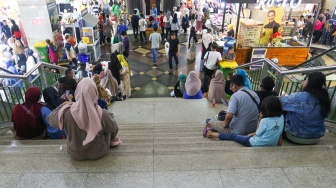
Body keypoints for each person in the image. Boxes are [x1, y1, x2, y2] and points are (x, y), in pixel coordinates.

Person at [47, 78, 121, 160]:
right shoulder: (103, 114)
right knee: (109, 126)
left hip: (74, 153)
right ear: (95, 93)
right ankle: (113, 141)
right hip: (99, 152)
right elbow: (114, 128)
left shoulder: (65, 113)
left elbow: (50, 119)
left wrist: (63, 104)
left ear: (77, 92)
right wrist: (112, 137)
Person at [204, 96, 284, 147]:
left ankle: (210, 133)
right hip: (271, 144)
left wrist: (259, 118)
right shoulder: (281, 118)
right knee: (247, 135)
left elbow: (257, 133)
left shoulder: (265, 121)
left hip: (254, 143)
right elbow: (280, 133)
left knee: (232, 136)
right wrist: (279, 146)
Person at [280, 72, 331, 145]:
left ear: (310, 83)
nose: (303, 81)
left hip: (296, 136)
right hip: (316, 137)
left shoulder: (298, 97)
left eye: (305, 80)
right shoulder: (325, 98)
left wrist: (283, 96)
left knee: (285, 109)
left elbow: (277, 103)